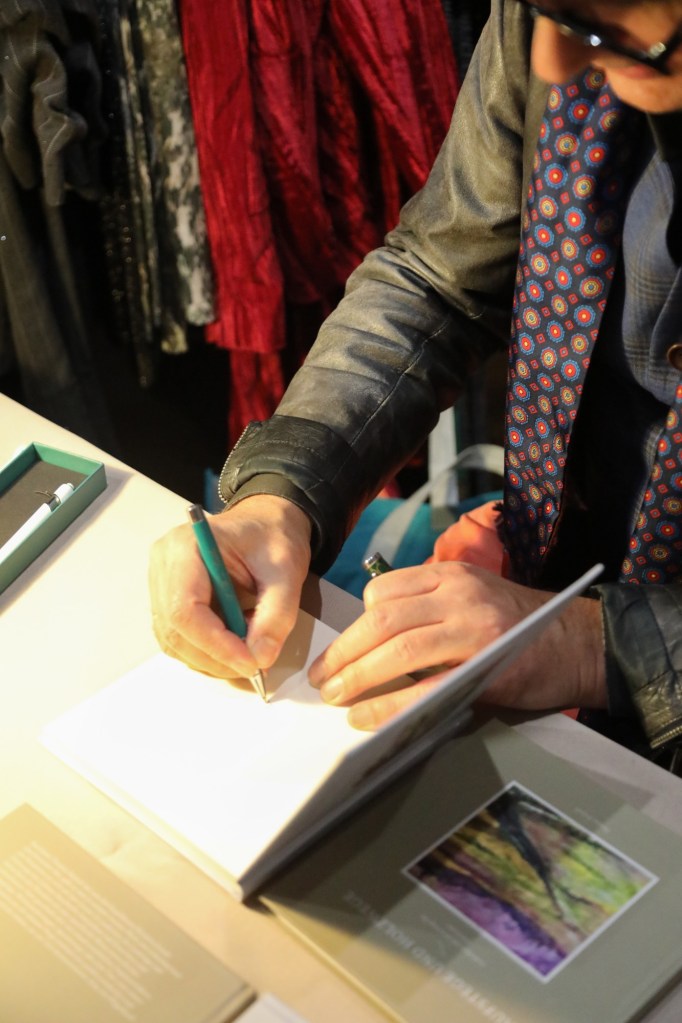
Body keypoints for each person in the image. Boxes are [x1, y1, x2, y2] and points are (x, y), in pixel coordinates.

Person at [149, 0, 682, 765]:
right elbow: (439, 278)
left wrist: (590, 645)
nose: (550, 64)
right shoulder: (552, 34)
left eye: (607, 24)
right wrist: (281, 494)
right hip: (555, 561)